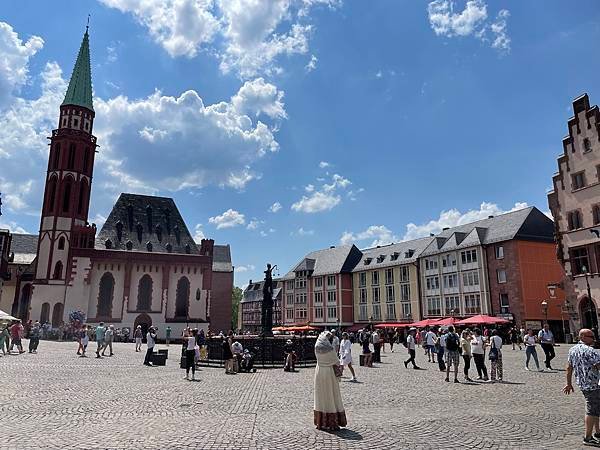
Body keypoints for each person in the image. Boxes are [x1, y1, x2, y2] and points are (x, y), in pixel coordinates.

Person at [564, 328, 600, 447]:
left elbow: (569, 368)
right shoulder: (590, 350)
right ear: (582, 337)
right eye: (591, 337)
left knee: (595, 408)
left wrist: (569, 383)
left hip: (583, 384)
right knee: (591, 410)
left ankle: (598, 432)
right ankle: (588, 437)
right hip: (594, 384)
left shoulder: (572, 350)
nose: (594, 339)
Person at [314, 331, 347, 431]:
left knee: (321, 396)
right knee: (331, 395)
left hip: (319, 371)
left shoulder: (316, 347)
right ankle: (332, 422)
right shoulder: (330, 349)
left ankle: (320, 422)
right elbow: (336, 361)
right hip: (329, 373)